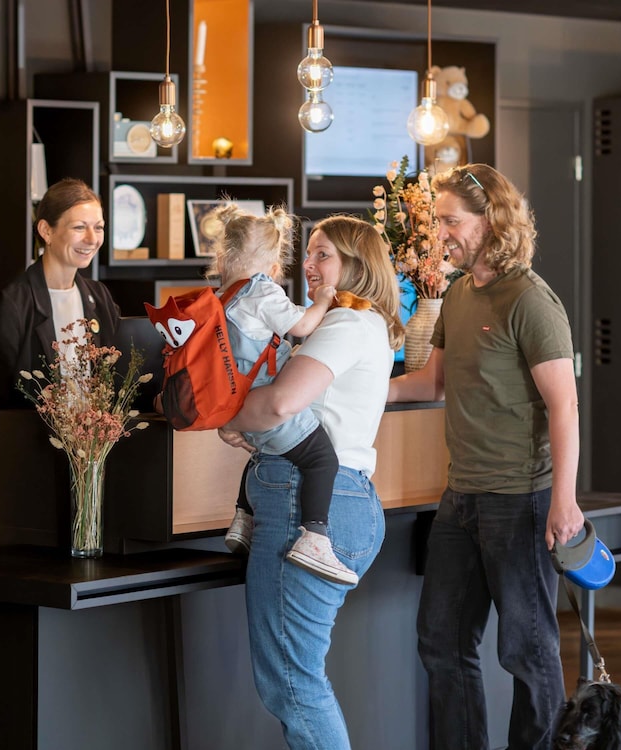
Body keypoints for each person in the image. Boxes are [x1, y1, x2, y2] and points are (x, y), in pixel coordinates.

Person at [387, 163, 585, 750]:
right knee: (441, 642)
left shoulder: (530, 299)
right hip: (462, 497)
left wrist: (565, 502)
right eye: (438, 221)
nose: (440, 233)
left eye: (451, 221)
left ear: (492, 221)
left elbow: (565, 407)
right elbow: (430, 382)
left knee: (526, 652)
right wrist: (353, 386)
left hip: (522, 500)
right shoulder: (457, 294)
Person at [218, 215, 405, 749]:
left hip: (306, 501)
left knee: (293, 684)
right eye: (309, 254)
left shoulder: (347, 321)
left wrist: (224, 414)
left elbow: (281, 403)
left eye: (324, 254)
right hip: (333, 498)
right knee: (294, 679)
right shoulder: (357, 324)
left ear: (358, 264)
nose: (309, 265)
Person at [209, 203, 356, 585]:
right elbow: (302, 325)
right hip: (266, 400)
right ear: (273, 264)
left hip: (240, 403)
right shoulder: (260, 290)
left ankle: (243, 518)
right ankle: (315, 537)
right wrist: (321, 301)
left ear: (223, 258)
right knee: (322, 459)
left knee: (264, 451)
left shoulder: (222, 297)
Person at [0, 178, 119, 538]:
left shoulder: (99, 297)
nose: (92, 238)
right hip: (30, 463)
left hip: (89, 462)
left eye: (98, 227)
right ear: (46, 230)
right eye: (79, 227)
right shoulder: (15, 301)